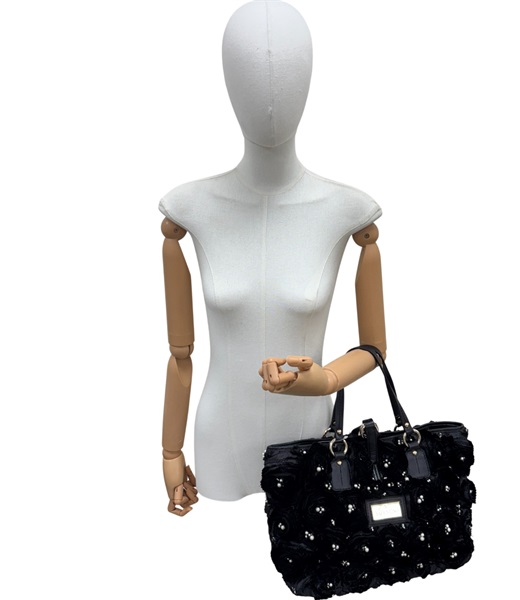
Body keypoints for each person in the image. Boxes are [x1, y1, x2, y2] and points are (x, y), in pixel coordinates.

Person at [158, 0, 387, 515]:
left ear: (307, 78)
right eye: (249, 71)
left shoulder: (347, 211)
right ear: (227, 80)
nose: (267, 96)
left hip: (311, 440)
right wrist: (171, 454)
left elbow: (375, 346)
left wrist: (325, 379)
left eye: (283, 70)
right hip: (221, 439)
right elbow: (179, 354)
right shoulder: (190, 209)